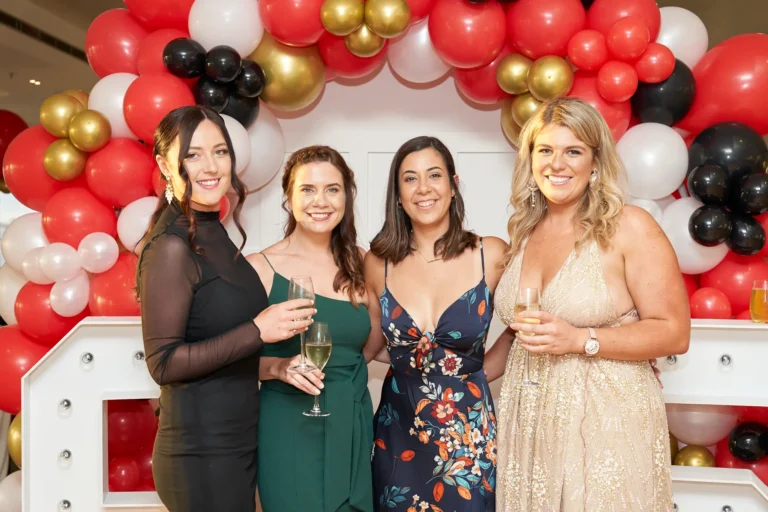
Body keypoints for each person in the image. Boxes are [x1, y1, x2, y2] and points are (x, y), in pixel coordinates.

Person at [492, 97, 690, 511]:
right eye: (545, 150)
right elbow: (519, 335)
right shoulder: (524, 232)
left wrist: (581, 339)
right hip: (529, 418)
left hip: (604, 419)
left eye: (573, 151)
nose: (557, 163)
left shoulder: (630, 227)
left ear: (595, 160)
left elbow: (674, 330)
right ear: (530, 160)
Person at [136, 106, 315, 512]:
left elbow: (216, 348)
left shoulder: (212, 229)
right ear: (166, 164)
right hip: (199, 456)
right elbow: (163, 363)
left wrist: (273, 368)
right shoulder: (170, 246)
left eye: (220, 151)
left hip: (236, 446)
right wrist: (258, 330)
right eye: (193, 154)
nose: (211, 166)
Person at [363, 136, 508, 511]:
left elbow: (527, 325)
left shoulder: (489, 254)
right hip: (397, 435)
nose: (423, 188)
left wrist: (475, 374)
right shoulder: (378, 262)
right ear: (397, 195)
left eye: (434, 175)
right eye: (410, 179)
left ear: (453, 186)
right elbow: (369, 344)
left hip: (468, 435)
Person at [248, 146, 378, 512]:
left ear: (347, 196)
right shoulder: (260, 268)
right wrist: (278, 367)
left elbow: (374, 340)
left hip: (350, 420)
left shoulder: (363, 262)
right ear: (288, 197)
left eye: (332, 189)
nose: (320, 201)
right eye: (307, 189)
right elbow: (231, 358)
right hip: (287, 423)